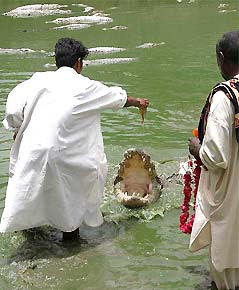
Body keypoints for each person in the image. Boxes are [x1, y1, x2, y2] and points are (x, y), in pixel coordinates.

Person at [0, 37, 149, 242]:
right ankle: (71, 245)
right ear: (79, 62)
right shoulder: (85, 86)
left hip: (32, 151)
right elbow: (116, 98)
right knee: (71, 199)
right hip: (64, 156)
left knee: (30, 196)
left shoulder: (36, 80)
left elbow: (14, 109)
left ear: (57, 60)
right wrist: (138, 102)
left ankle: (32, 242)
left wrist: (17, 128)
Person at [188, 30, 239, 290]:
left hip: (232, 193)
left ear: (221, 58)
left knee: (227, 257)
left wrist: (197, 149)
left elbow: (216, 156)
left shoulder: (225, 96)